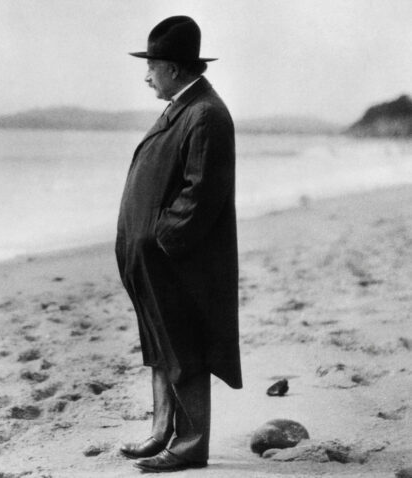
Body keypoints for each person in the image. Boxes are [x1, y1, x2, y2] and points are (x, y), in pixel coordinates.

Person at [115, 15, 242, 473]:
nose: (146, 75)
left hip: (178, 259)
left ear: (172, 68)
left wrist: (161, 239)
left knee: (183, 347)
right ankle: (162, 429)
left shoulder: (205, 113)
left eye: (151, 66)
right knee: (161, 343)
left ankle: (190, 444)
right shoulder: (183, 107)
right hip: (155, 258)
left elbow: (201, 192)